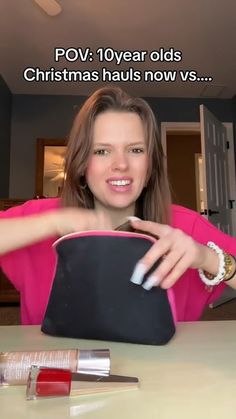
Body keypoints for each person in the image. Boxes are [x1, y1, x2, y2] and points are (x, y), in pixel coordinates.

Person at [0, 86, 236, 325]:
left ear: (151, 165)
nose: (121, 164)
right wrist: (54, 223)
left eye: (135, 150)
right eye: (101, 151)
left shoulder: (185, 226)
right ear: (81, 164)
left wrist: (207, 258)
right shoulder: (41, 217)